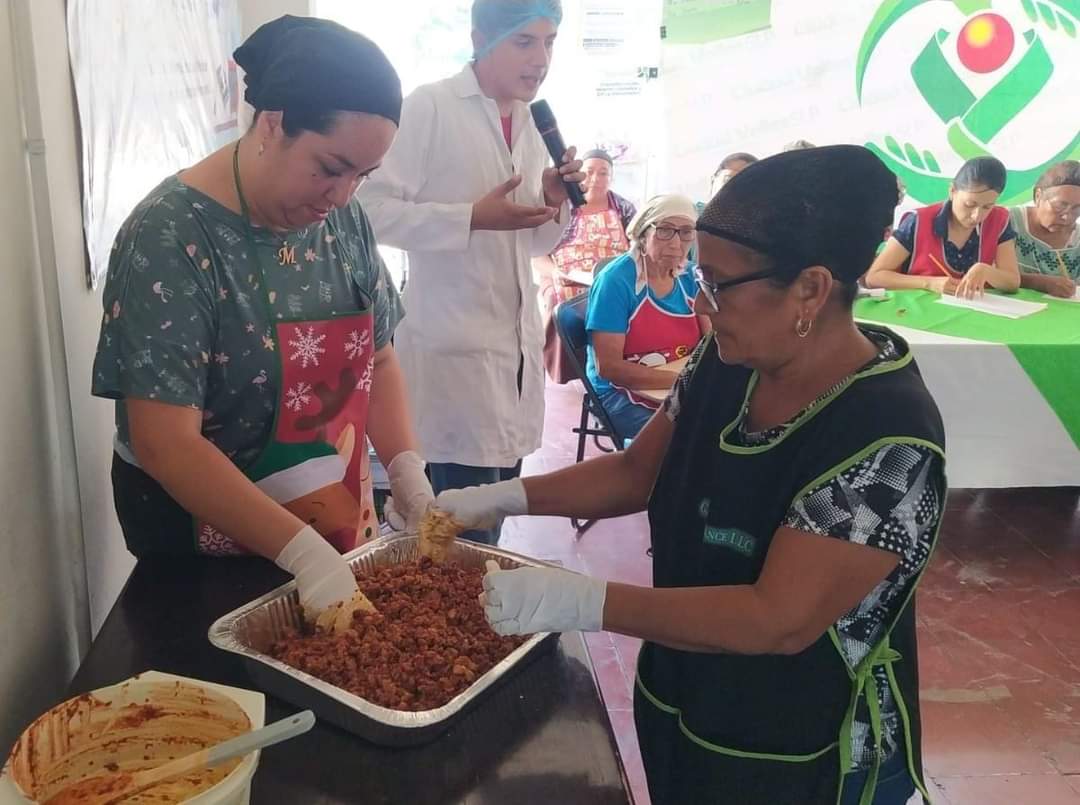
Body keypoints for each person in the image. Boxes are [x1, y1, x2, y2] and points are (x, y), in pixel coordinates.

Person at [434, 146, 946, 805]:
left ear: (810, 289)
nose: (702, 299)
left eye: (720, 283)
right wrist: (497, 496)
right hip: (685, 690)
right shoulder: (728, 359)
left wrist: (582, 599)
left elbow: (776, 619)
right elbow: (636, 471)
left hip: (803, 743)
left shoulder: (888, 437)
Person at [90, 16, 435, 622]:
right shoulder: (171, 238)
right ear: (273, 123)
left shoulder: (341, 221)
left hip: (333, 525)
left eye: (363, 175)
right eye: (330, 167)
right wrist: (301, 552)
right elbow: (167, 444)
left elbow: (376, 356)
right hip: (205, 559)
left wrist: (408, 473)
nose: (343, 195)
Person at [356, 0, 583, 545]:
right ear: (481, 38)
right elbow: (366, 208)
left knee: (491, 525)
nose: (541, 59)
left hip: (514, 360)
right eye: (525, 42)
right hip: (451, 360)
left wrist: (552, 202)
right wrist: (470, 218)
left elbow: (529, 242)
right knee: (450, 541)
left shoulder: (531, 121)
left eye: (550, 42)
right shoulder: (430, 108)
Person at [585, 194, 705, 439]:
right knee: (693, 438)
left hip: (674, 382)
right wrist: (681, 383)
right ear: (643, 234)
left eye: (686, 232)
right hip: (618, 392)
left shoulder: (691, 277)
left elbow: (711, 340)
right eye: (665, 230)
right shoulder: (616, 282)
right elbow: (609, 368)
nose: (676, 243)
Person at [537, 148, 636, 383]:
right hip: (564, 277)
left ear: (611, 178)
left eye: (603, 173)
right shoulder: (564, 206)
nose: (595, 179)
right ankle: (572, 367)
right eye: (589, 172)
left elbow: (637, 248)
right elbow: (536, 252)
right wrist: (555, 274)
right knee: (560, 300)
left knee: (620, 297)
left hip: (610, 276)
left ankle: (613, 364)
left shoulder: (623, 208)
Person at [866, 156, 1020, 298]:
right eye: (969, 205)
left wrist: (986, 271)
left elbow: (1012, 282)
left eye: (987, 206)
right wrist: (929, 283)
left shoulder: (999, 220)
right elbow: (874, 277)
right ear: (952, 191)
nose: (977, 216)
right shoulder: (918, 221)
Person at [1010, 160, 1080, 299]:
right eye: (1060, 205)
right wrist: (1037, 282)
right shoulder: (1008, 222)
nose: (1067, 217)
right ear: (1038, 196)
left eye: (1077, 208)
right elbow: (987, 273)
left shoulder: (1077, 239)